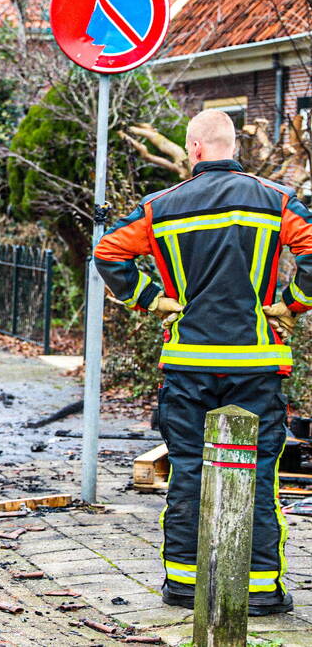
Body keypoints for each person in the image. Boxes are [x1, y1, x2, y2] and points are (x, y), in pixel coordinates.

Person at [94, 109, 312, 616]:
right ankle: (259, 592)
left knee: (189, 469)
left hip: (188, 363)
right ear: (234, 146)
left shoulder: (160, 206)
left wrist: (151, 298)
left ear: (193, 148)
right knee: (256, 471)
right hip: (256, 364)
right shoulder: (275, 199)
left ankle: (186, 587)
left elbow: (108, 254)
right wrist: (292, 302)